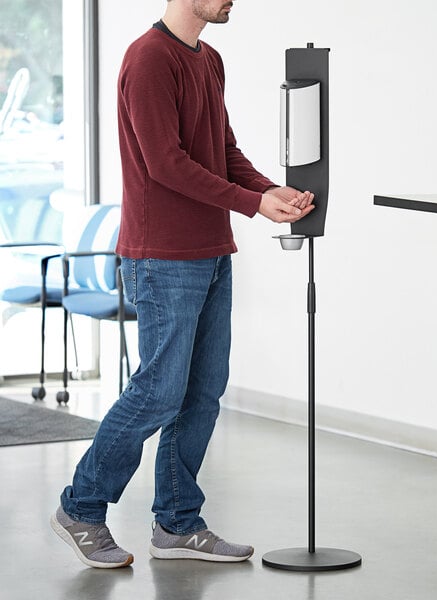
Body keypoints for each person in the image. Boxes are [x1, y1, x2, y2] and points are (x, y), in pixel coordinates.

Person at [50, 0, 314, 569]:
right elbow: (164, 163)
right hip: (161, 256)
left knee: (202, 393)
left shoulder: (209, 60)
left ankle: (177, 524)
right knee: (158, 391)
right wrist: (252, 204)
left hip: (212, 251)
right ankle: (82, 506)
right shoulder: (148, 59)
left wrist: (273, 192)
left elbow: (223, 152)